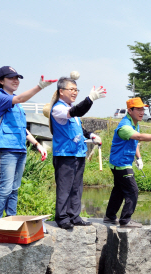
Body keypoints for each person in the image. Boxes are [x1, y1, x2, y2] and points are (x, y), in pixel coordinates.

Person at [0, 66, 54, 234]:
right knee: (5, 188)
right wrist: (40, 86)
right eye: (11, 78)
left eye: (17, 77)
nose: (15, 80)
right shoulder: (1, 98)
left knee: (14, 188)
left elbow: (22, 129)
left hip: (20, 149)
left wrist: (37, 144)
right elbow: (20, 99)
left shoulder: (16, 105)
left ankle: (11, 220)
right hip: (7, 149)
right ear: (1, 81)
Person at [104, 98, 151, 228]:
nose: (142, 112)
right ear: (130, 110)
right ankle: (125, 220)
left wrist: (139, 158)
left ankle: (110, 216)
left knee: (119, 190)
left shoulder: (134, 123)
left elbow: (134, 141)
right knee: (132, 190)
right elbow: (139, 137)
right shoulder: (124, 126)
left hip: (121, 162)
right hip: (120, 163)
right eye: (139, 109)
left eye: (143, 109)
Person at [50, 77, 106, 229]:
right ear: (61, 91)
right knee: (64, 188)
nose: (75, 92)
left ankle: (74, 216)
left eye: (76, 90)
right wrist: (90, 99)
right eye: (71, 89)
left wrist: (91, 135)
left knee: (77, 187)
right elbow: (75, 111)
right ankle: (62, 217)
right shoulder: (58, 108)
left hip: (78, 153)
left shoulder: (70, 108)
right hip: (65, 154)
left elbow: (80, 129)